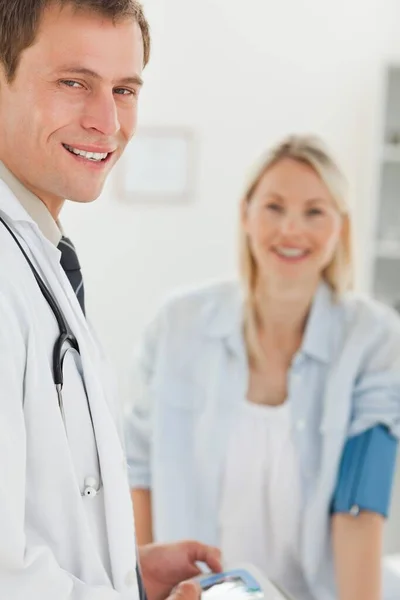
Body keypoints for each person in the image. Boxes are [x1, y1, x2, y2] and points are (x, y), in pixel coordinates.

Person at [0, 1, 221, 599]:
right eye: (74, 83)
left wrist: (125, 570)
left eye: (125, 89)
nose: (108, 120)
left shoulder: (39, 251)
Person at [125, 134, 400, 600]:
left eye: (315, 211)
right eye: (274, 206)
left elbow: (360, 502)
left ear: (341, 228)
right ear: (246, 215)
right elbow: (138, 474)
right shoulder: (179, 325)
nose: (291, 229)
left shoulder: (373, 339)